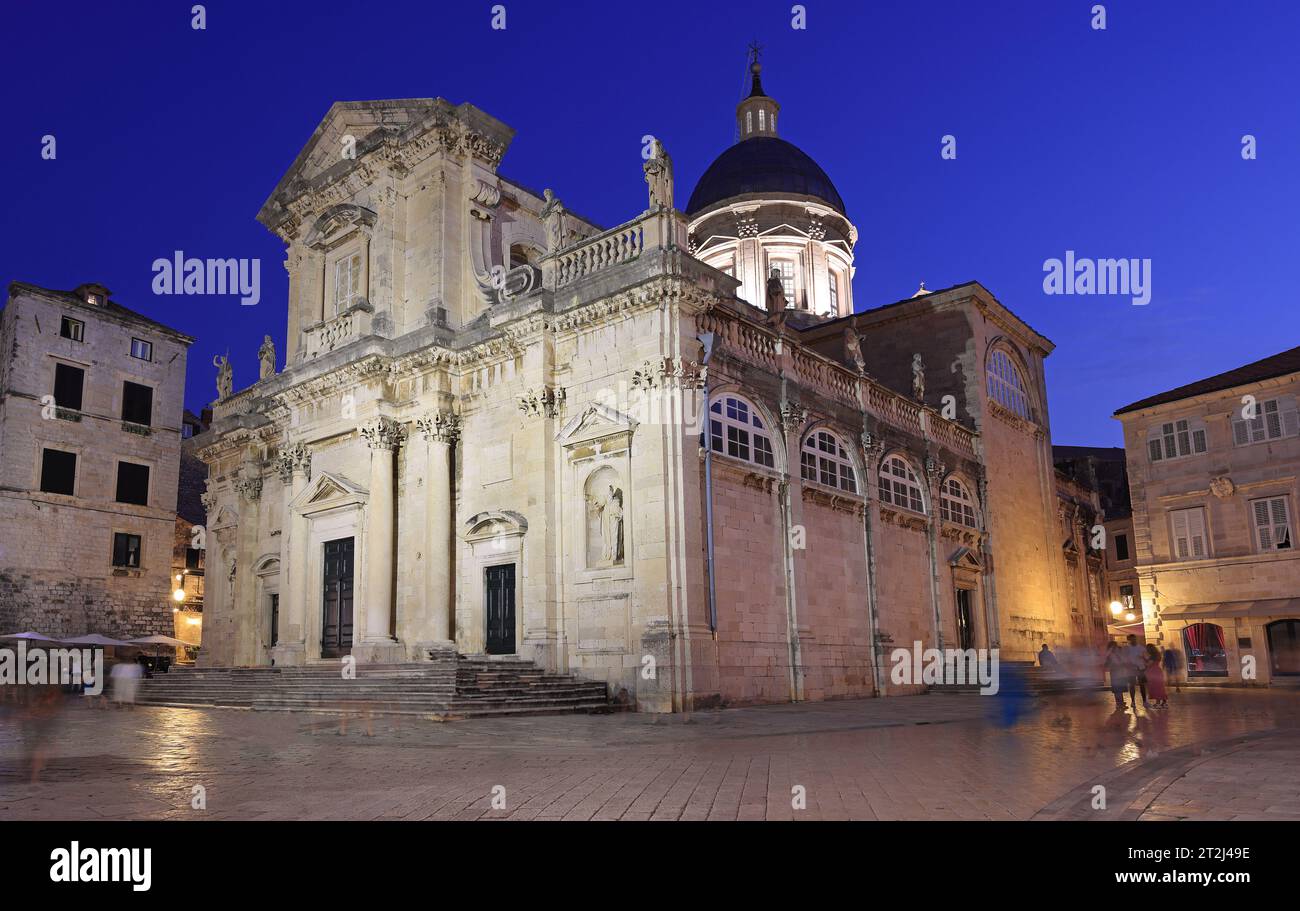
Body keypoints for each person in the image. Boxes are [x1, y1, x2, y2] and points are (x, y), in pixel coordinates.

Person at [1104, 642, 1131, 710]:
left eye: (1115, 646)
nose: (1115, 648)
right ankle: (1119, 704)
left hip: (1121, 673)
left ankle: (1121, 703)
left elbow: (1124, 660)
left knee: (1120, 689)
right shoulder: (1109, 654)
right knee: (1117, 689)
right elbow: (1106, 662)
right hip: (1115, 673)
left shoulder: (1119, 653)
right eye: (1114, 647)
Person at [1125, 634, 1150, 709]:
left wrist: (1143, 658)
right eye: (1131, 639)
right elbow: (1125, 659)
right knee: (1132, 685)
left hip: (1140, 668)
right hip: (1131, 669)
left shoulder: (1141, 648)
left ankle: (1144, 701)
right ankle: (1133, 701)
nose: (1133, 640)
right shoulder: (1127, 649)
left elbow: (1146, 658)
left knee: (1142, 685)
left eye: (1134, 639)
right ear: (1129, 640)